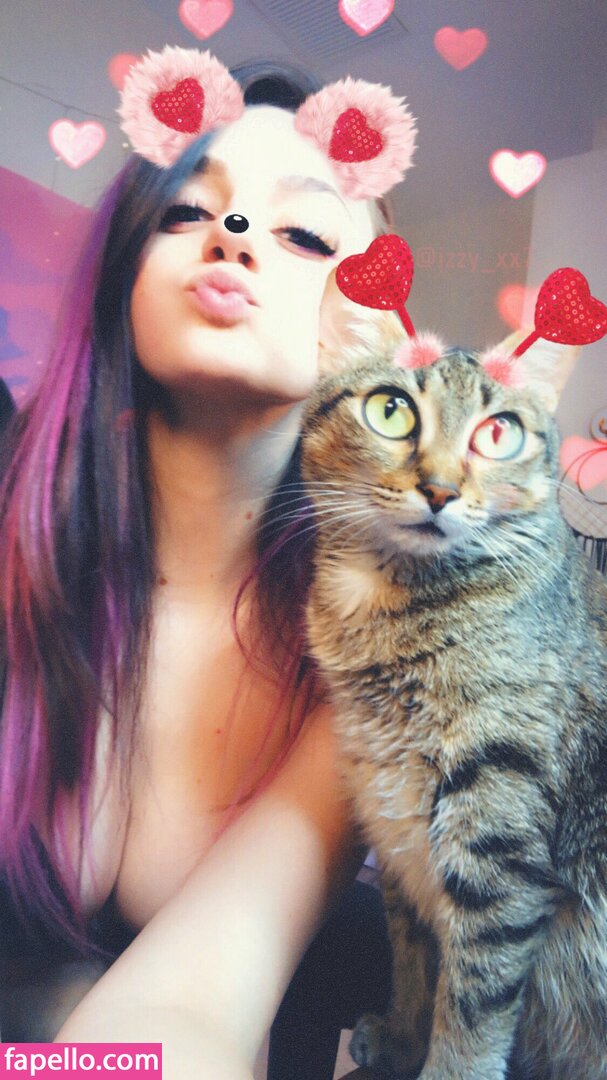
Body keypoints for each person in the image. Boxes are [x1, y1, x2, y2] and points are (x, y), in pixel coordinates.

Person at [0, 46, 415, 1079]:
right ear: (125, 266)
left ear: (375, 331)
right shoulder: (18, 529)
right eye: (187, 210)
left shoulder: (373, 644)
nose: (231, 233)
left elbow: (183, 1018)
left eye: (304, 232)